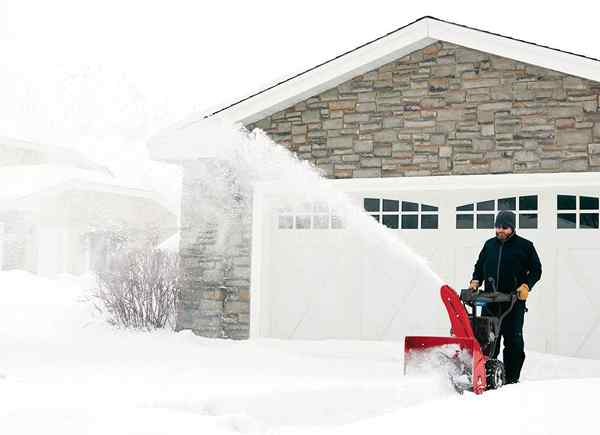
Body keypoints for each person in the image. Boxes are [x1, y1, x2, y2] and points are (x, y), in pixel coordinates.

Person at [468, 210, 542, 384]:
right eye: (497, 227)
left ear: (512, 227)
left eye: (504, 227)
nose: (500, 230)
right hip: (491, 300)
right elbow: (479, 266)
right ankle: (484, 374)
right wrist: (476, 280)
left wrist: (526, 285)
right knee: (486, 339)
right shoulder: (489, 245)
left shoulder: (525, 246)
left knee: (513, 341)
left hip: (513, 302)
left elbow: (537, 270)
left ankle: (511, 379)